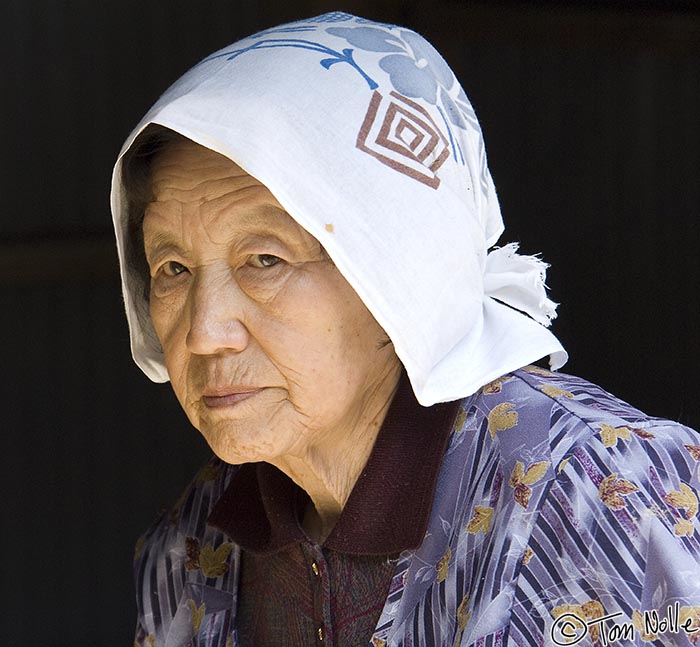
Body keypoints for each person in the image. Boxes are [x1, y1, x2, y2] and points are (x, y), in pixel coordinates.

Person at [111, 12, 700, 647]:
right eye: (172, 268)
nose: (204, 333)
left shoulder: (591, 494)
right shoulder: (192, 549)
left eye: (265, 260)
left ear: (400, 274)